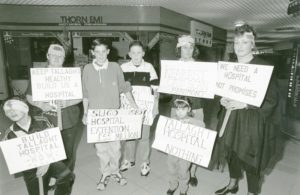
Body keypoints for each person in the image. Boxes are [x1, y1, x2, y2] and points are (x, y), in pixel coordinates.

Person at [214, 23, 280, 195]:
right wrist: (222, 99)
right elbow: (221, 90)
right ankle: (232, 184)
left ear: (253, 44)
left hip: (252, 120)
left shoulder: (264, 68)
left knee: (251, 160)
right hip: (231, 117)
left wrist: (246, 104)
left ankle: (252, 192)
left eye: (244, 42)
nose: (239, 47)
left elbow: (272, 100)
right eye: (236, 42)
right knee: (231, 154)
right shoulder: (230, 66)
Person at [81, 39, 138, 191]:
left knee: (116, 148)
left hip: (114, 116)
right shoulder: (86, 69)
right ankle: (105, 173)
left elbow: (124, 87)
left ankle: (115, 171)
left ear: (108, 52)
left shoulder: (115, 67)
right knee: (101, 150)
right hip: (96, 117)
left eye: (103, 51)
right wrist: (85, 113)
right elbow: (85, 93)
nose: (100, 55)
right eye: (97, 51)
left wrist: (134, 105)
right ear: (92, 52)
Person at [26, 44, 82, 188]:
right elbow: (29, 96)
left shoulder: (71, 76)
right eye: (54, 56)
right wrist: (40, 104)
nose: (57, 59)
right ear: (48, 56)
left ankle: (66, 176)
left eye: (60, 56)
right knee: (50, 152)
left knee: (68, 152)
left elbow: (81, 97)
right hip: (46, 121)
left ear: (64, 59)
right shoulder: (39, 75)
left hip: (69, 120)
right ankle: (52, 175)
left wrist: (68, 101)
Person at [1, 97, 75, 195]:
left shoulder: (43, 121)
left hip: (50, 161)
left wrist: (46, 164)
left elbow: (55, 146)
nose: (12, 112)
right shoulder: (9, 134)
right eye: (8, 110)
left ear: (25, 107)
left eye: (15, 108)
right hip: (30, 170)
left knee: (67, 175)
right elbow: (15, 160)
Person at [120, 40, 159, 176]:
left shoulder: (149, 67)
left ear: (143, 53)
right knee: (129, 136)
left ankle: (145, 162)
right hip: (128, 107)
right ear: (129, 54)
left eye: (139, 52)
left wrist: (156, 106)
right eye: (133, 52)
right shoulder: (123, 68)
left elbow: (155, 89)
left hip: (145, 108)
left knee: (144, 137)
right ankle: (129, 160)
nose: (136, 55)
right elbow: (120, 88)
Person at [171, 35, 205, 186]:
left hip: (196, 107)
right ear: (179, 49)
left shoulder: (201, 68)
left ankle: (192, 172)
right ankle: (180, 171)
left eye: (191, 47)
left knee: (194, 140)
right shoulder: (172, 67)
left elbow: (206, 89)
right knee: (177, 139)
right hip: (177, 108)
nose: (188, 50)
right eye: (185, 47)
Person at [167, 96, 205, 195]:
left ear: (189, 109)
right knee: (171, 169)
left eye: (183, 109)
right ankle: (173, 185)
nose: (179, 112)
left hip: (185, 153)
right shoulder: (173, 118)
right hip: (173, 151)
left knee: (183, 172)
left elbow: (203, 125)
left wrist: (189, 121)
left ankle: (183, 190)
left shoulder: (192, 121)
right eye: (177, 109)